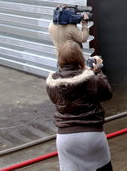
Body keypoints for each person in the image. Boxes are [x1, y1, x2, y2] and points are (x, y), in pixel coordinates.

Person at [46, 40, 113, 171]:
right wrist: (97, 71)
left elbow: (57, 100)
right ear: (79, 57)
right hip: (91, 135)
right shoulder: (91, 78)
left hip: (65, 138)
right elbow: (107, 94)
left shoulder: (52, 82)